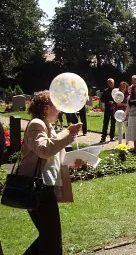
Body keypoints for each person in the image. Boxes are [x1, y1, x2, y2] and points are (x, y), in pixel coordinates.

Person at [19, 90, 82, 254]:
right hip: (37, 188)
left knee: (49, 238)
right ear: (46, 107)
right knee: (52, 240)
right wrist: (69, 133)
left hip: (45, 188)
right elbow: (44, 150)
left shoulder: (47, 126)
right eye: (57, 105)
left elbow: (53, 158)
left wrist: (72, 163)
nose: (60, 109)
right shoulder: (36, 124)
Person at [100, 78, 116, 143]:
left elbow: (119, 99)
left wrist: (113, 102)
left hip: (114, 109)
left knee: (113, 123)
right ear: (108, 83)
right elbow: (102, 100)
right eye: (109, 83)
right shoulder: (105, 91)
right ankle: (103, 137)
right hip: (107, 109)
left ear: (113, 83)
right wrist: (102, 106)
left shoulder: (116, 91)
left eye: (111, 82)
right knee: (105, 123)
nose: (110, 84)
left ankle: (112, 136)